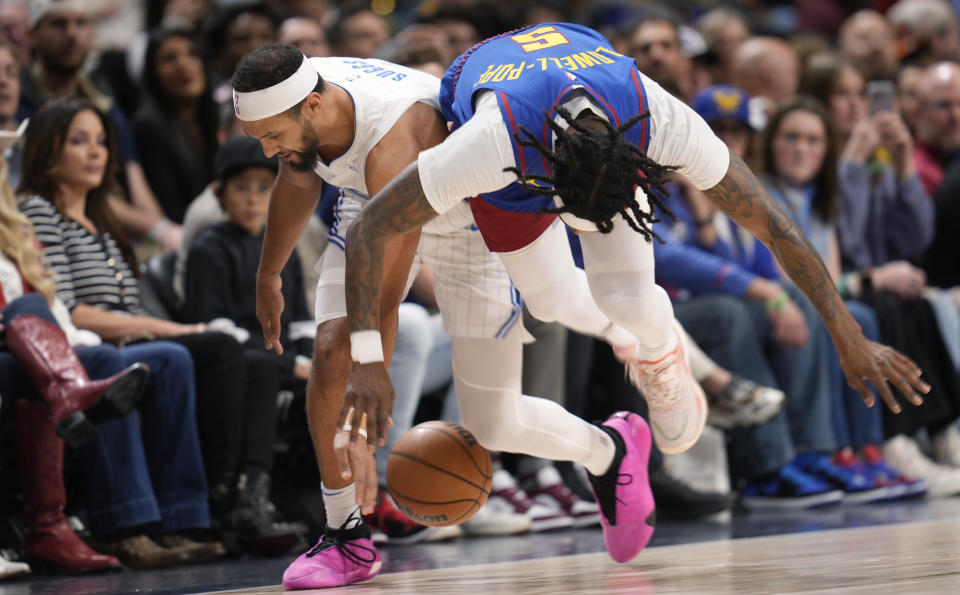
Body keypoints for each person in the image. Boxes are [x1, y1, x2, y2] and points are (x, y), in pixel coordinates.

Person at [337, 17, 927, 553]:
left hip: (587, 123)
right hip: (511, 147)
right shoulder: (487, 148)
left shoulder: (658, 117)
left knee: (620, 291)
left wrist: (846, 332)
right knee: (547, 300)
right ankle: (643, 345)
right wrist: (366, 357)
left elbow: (773, 223)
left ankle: (659, 346)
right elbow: (367, 227)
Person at [233, 43, 665, 590]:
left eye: (273, 135)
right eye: (261, 137)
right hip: (367, 200)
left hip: (465, 220)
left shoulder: (393, 136)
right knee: (330, 352)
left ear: (314, 107)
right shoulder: (299, 97)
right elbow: (296, 176)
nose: (268, 148)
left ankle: (610, 448)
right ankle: (346, 532)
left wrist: (369, 386)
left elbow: (386, 294)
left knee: (493, 421)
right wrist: (268, 274)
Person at [19, 97, 302, 556]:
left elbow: (129, 306)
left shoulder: (103, 224)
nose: (95, 152)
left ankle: (207, 508)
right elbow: (66, 310)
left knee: (223, 358)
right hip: (75, 344)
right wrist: (171, 329)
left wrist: (165, 331)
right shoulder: (40, 214)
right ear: (48, 151)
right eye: (78, 142)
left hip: (129, 336)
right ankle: (160, 514)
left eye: (100, 142)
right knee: (183, 351)